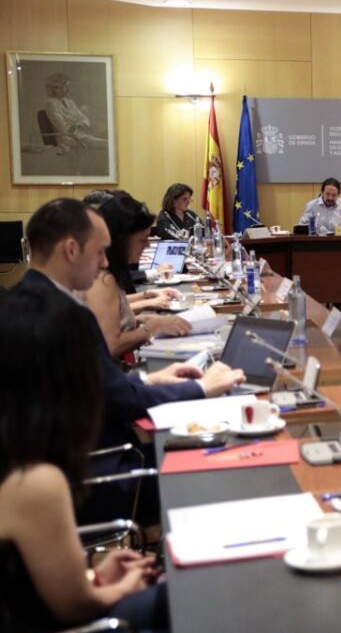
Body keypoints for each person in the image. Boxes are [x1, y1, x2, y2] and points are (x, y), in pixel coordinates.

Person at [15, 198, 244, 452]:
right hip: (100, 459)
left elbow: (98, 387)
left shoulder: (22, 302)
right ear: (71, 250)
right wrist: (201, 387)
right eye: (100, 251)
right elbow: (120, 400)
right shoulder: (65, 316)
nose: (104, 263)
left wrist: (148, 379)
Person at [0, 288, 168, 631]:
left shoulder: (16, 454)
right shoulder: (34, 481)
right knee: (182, 592)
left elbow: (39, 587)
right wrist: (124, 586)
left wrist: (95, 576)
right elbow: (75, 608)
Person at [85, 193, 191, 358]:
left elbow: (115, 307)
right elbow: (111, 346)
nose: (147, 245)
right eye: (142, 240)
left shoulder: (110, 273)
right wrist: (153, 327)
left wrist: (146, 299)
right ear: (121, 240)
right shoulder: (102, 278)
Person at [43, 72, 108, 153]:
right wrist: (77, 122)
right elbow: (63, 128)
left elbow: (85, 120)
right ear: (55, 88)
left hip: (81, 135)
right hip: (66, 139)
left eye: (68, 86)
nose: (68, 89)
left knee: (106, 142)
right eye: (65, 86)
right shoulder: (51, 104)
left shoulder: (70, 102)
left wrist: (75, 123)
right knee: (106, 144)